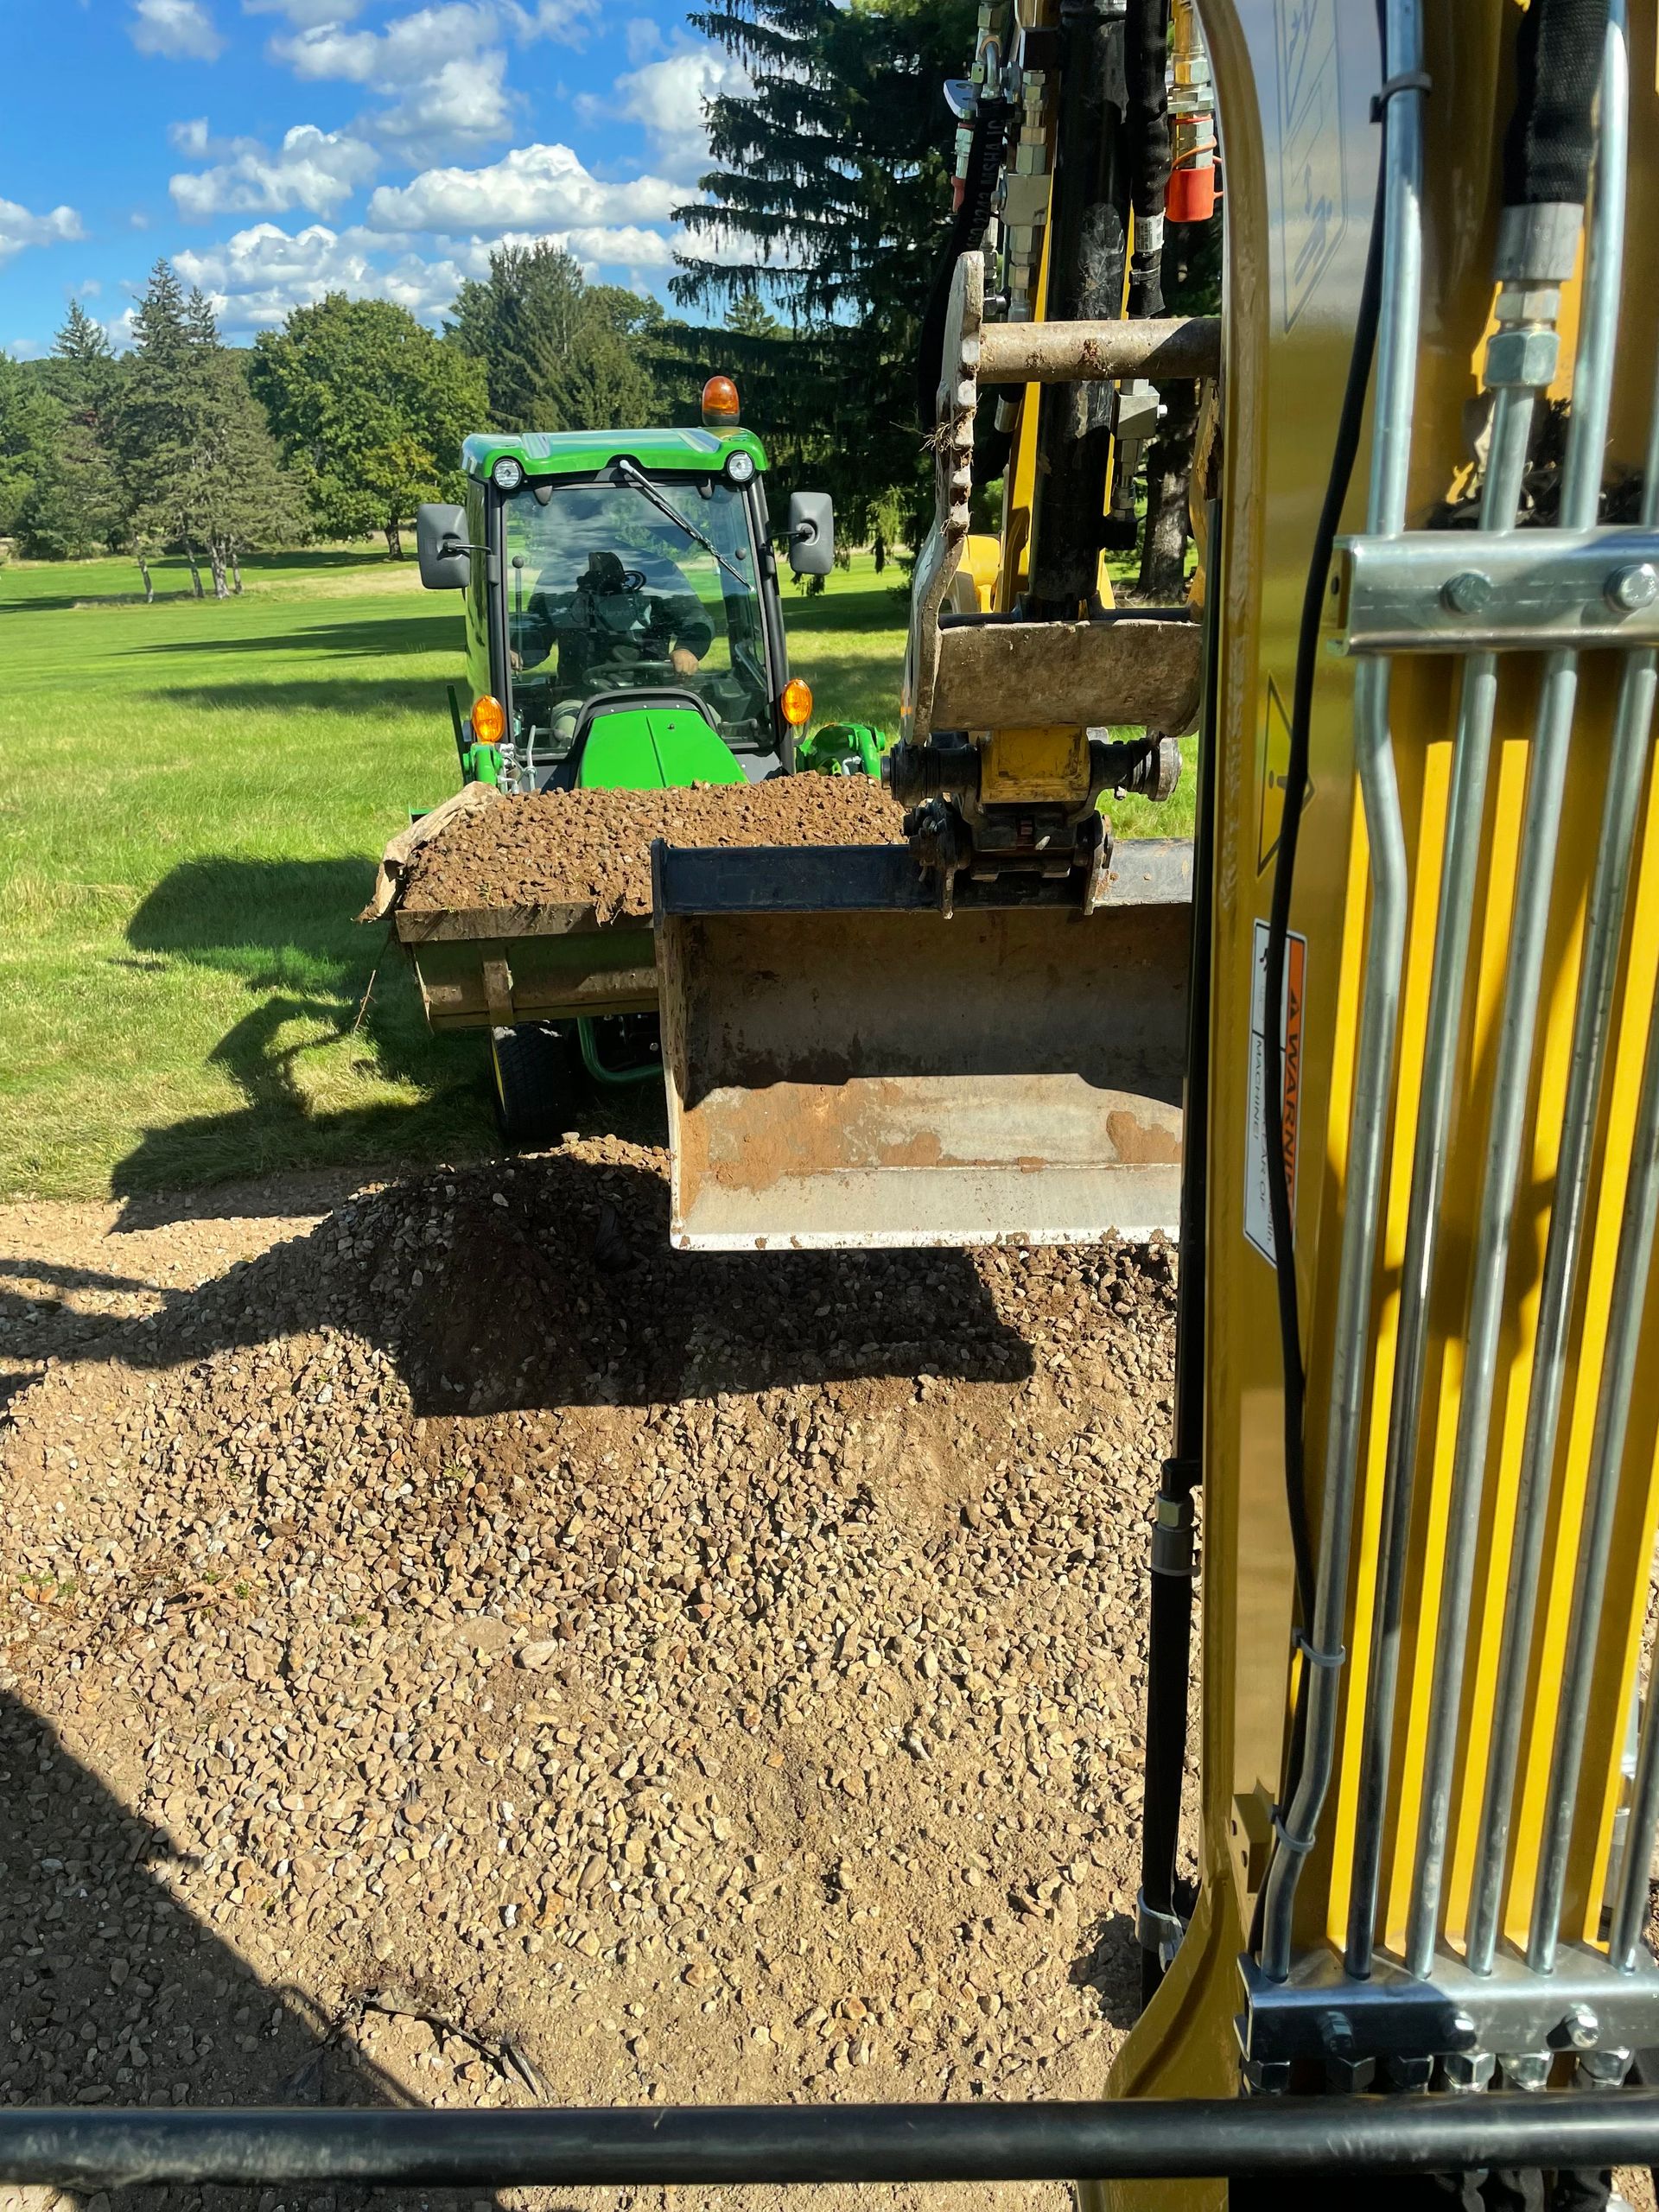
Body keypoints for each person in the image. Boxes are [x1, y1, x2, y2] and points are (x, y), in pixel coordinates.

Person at [514, 548, 713, 690]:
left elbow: (695, 618)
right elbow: (538, 631)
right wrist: (516, 651)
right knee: (565, 732)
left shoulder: (658, 570)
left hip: (654, 691)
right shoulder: (557, 577)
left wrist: (687, 649)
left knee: (709, 725)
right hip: (579, 696)